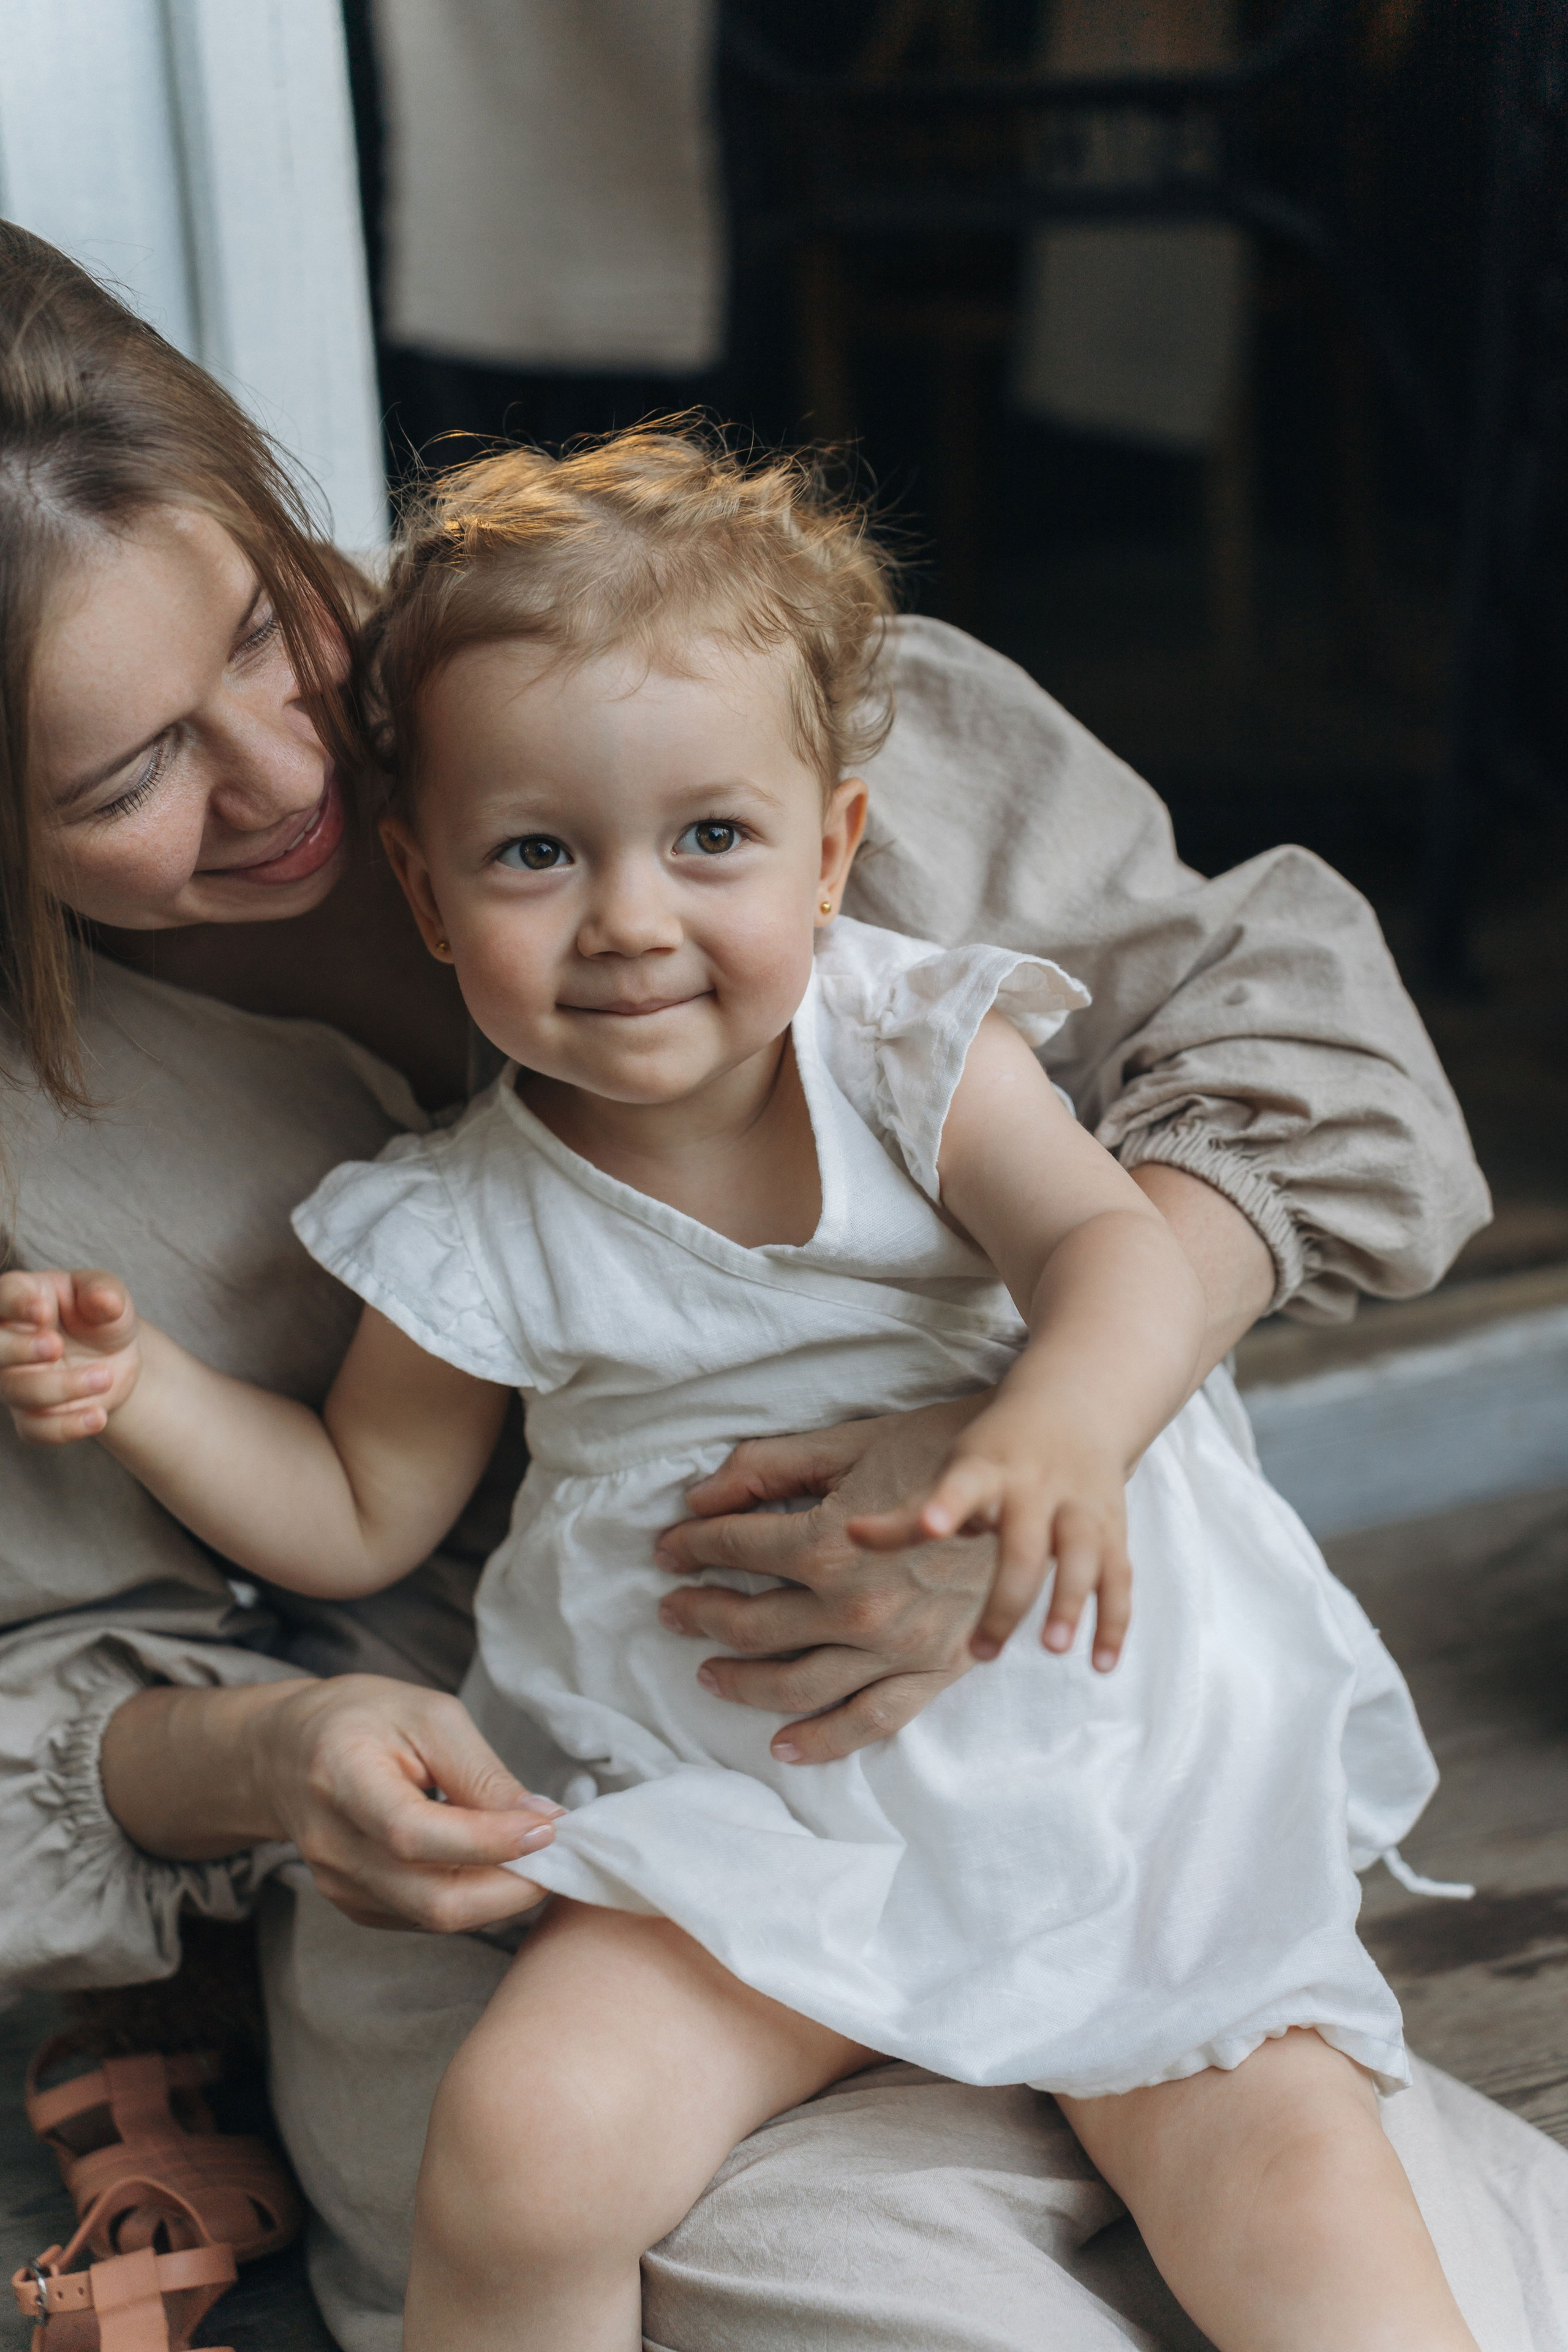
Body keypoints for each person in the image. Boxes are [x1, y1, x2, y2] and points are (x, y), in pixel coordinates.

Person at [5, 222, 1558, 2352]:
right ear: (435, 893)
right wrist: (173, 1460)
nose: (280, 776)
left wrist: (1028, 1446)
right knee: (546, 2154)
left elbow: (1139, 1215)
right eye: (126, 777)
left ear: (831, 845)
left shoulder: (779, 823)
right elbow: (347, 1509)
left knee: (1278, 2176)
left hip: (1069, 1744)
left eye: (272, 635)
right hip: (665, 1791)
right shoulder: (461, 1213)